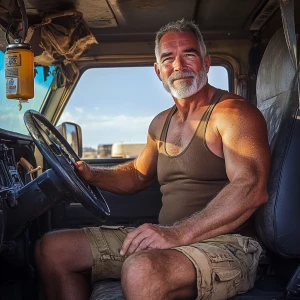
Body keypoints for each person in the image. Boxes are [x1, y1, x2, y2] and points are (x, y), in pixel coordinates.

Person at [35, 19, 271, 300]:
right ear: (159, 71)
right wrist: (91, 173)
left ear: (206, 62)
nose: (179, 65)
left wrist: (177, 234)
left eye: (190, 54)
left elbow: (250, 187)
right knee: (53, 249)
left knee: (141, 270)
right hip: (172, 237)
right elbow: (137, 174)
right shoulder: (161, 123)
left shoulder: (233, 113)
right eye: (168, 58)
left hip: (228, 244)